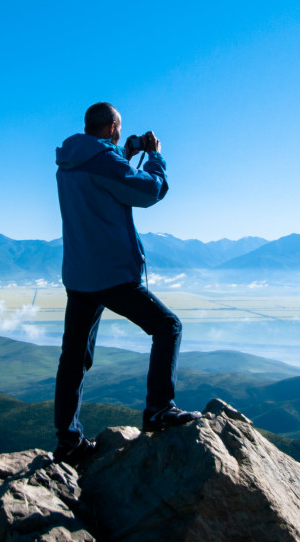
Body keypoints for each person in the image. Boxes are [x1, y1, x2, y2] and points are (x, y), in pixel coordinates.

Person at [52, 101, 199, 465]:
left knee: (74, 358)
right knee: (168, 327)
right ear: (113, 127)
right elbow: (148, 191)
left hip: (79, 275)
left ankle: (69, 440)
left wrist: (128, 149)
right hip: (112, 274)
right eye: (119, 129)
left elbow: (106, 167)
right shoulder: (104, 161)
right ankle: (159, 409)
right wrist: (155, 158)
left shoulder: (71, 160)